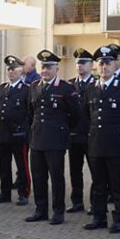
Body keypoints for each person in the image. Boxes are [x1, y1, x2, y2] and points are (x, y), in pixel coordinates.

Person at [82, 45, 120, 233]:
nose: (104, 67)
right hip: (96, 143)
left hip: (116, 144)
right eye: (100, 63)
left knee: (116, 184)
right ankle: (99, 217)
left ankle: (118, 218)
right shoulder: (91, 88)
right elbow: (86, 114)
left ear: (115, 65)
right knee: (98, 183)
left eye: (107, 63)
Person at [25, 49, 79, 225]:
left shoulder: (65, 88)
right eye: (43, 67)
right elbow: (30, 112)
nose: (45, 71)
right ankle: (40, 210)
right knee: (38, 177)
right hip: (37, 139)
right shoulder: (34, 86)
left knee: (56, 178)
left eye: (49, 67)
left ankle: (58, 211)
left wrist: (62, 130)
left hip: (56, 141)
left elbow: (75, 115)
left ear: (57, 68)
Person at [0, 55, 31, 206]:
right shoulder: (1, 88)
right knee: (4, 165)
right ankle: (5, 192)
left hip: (19, 133)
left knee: (22, 165)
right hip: (3, 132)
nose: (11, 71)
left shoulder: (27, 89)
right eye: (9, 69)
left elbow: (30, 112)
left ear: (22, 70)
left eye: (15, 68)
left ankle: (23, 193)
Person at [67, 48, 94, 214]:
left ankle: (95, 203)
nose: (80, 66)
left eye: (83, 63)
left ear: (91, 65)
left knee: (96, 173)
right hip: (74, 135)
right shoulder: (69, 85)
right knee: (75, 171)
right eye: (77, 63)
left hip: (92, 136)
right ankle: (77, 202)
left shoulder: (97, 84)